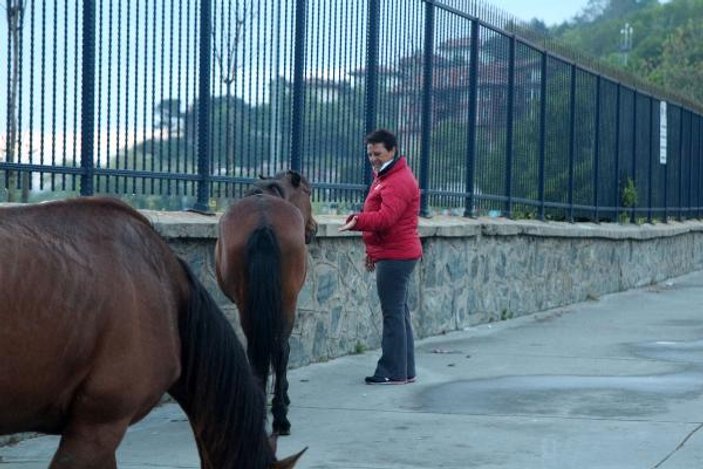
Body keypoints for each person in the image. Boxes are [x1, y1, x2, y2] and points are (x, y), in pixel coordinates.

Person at [338, 128, 422, 385]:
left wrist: (357, 221)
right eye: (369, 153)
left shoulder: (397, 180)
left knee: (393, 314)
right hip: (394, 253)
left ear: (392, 150)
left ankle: (391, 371)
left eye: (377, 153)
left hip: (396, 256)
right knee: (399, 312)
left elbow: (386, 219)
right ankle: (405, 371)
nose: (372, 158)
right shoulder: (387, 175)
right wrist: (372, 251)